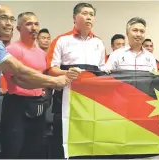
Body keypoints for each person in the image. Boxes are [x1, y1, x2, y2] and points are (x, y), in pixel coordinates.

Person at [0, 5, 79, 159]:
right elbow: (20, 73)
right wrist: (55, 81)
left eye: (11, 18)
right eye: (3, 18)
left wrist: (61, 76)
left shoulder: (37, 52)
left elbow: (30, 77)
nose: (8, 23)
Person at [46, 2, 106, 158]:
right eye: (85, 13)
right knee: (62, 137)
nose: (89, 17)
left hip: (90, 100)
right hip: (65, 98)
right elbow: (50, 68)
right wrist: (66, 73)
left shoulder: (99, 43)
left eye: (91, 15)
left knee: (88, 138)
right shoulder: (62, 40)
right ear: (75, 18)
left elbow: (102, 70)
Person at [0, 12, 52, 158]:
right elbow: (16, 80)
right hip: (16, 105)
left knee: (34, 151)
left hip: (38, 104)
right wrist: (46, 82)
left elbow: (44, 75)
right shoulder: (13, 50)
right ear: (18, 28)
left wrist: (45, 90)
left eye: (36, 24)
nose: (34, 27)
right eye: (29, 24)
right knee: (13, 150)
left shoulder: (41, 53)